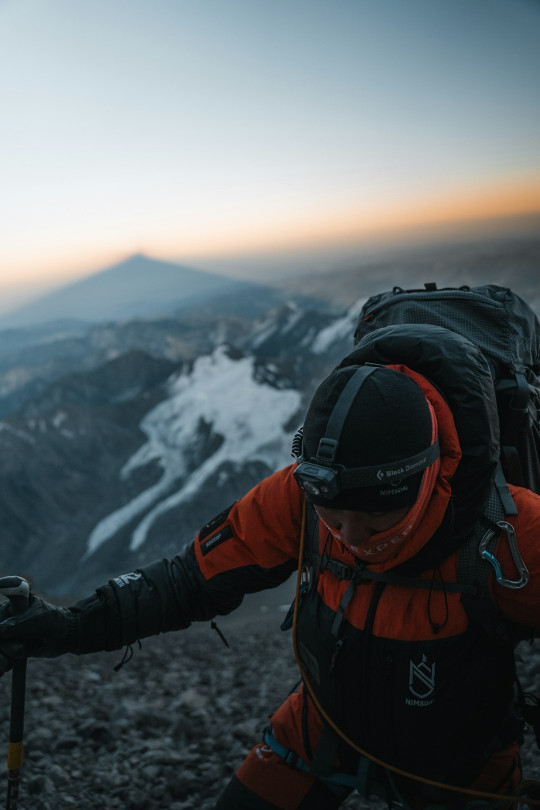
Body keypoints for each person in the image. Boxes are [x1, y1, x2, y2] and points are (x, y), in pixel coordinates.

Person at [0, 362, 539, 810]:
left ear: (423, 479)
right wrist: (67, 626)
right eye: (333, 520)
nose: (352, 540)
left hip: (462, 768)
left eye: (375, 524)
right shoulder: (296, 498)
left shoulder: (513, 534)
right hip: (319, 730)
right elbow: (190, 580)